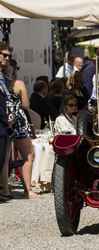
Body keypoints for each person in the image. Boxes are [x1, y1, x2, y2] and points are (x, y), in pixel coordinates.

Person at [4, 60, 41, 198]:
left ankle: (6, 189)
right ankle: (28, 190)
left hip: (4, 119)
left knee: (5, 157)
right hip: (18, 121)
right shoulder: (18, 84)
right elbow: (26, 104)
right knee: (28, 155)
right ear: (14, 70)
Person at [0, 42, 14, 202]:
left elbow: (6, 94)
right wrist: (5, 116)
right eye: (4, 55)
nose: (7, 58)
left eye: (8, 56)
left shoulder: (2, 74)